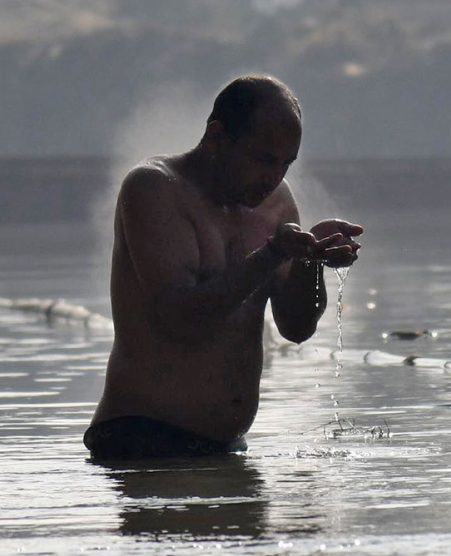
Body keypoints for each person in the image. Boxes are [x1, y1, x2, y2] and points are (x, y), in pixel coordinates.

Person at [85, 75, 362, 458]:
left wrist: (309, 260)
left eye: (286, 164)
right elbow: (180, 320)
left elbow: (296, 328)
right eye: (264, 160)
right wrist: (271, 255)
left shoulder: (277, 202)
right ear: (217, 138)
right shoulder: (155, 189)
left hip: (226, 448)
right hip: (142, 438)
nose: (274, 178)